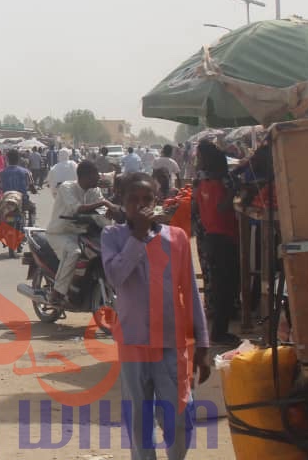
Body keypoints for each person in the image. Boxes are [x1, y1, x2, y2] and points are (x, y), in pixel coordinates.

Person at [102, 173, 210, 460]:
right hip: (133, 342)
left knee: (180, 416)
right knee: (139, 419)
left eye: (147, 199)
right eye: (133, 199)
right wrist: (137, 236)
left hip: (171, 341)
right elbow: (115, 276)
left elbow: (190, 291)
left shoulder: (176, 238)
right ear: (122, 202)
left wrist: (203, 344)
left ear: (157, 201)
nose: (140, 205)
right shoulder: (112, 236)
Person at [45, 160, 114, 305]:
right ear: (85, 176)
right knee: (74, 252)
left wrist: (111, 209)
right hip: (60, 233)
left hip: (82, 233)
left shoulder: (94, 190)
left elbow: (102, 211)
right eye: (95, 175)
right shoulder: (67, 187)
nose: (98, 178)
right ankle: (57, 292)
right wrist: (104, 203)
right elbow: (77, 208)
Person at [193, 140, 240, 345]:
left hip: (212, 237)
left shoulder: (202, 181)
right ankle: (219, 333)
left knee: (221, 286)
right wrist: (234, 192)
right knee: (226, 287)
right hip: (224, 238)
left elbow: (198, 206)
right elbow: (221, 208)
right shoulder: (222, 181)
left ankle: (219, 330)